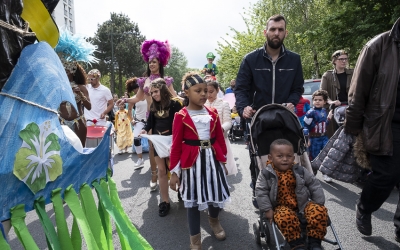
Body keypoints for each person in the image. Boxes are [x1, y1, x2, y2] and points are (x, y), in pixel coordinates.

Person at [235, 14, 304, 206]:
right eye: (273, 29)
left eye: (280, 29)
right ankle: (260, 191)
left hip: (284, 117)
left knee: (286, 157)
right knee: (258, 156)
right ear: (266, 32)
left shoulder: (294, 60)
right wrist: (244, 107)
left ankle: (287, 191)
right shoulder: (250, 59)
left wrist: (291, 102)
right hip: (259, 118)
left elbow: (297, 87)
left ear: (285, 33)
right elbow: (240, 88)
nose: (276, 33)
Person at [344, 17, 400, 239]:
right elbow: (358, 93)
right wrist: (354, 129)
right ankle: (365, 207)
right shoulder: (379, 45)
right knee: (386, 176)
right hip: (385, 124)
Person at [169, 72, 230, 249]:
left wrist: (223, 161)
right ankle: (194, 238)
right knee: (193, 201)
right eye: (198, 91)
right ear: (187, 92)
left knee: (215, 194)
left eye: (205, 90)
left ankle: (214, 222)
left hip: (213, 160)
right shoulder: (180, 116)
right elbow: (176, 146)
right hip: (192, 164)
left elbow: (219, 138)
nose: (203, 94)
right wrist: (174, 172)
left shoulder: (213, 112)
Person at [116, 39, 178, 191]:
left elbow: (175, 97)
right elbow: (137, 98)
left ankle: (173, 173)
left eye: (154, 62)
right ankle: (154, 175)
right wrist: (124, 99)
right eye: (150, 62)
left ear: (160, 63)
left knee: (170, 145)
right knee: (152, 147)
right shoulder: (144, 81)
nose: (151, 64)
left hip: (167, 117)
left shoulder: (166, 81)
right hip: (152, 118)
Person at [255, 139, 327, 250]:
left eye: (289, 156)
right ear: (270, 158)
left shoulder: (300, 170)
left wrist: (319, 202)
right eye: (280, 156)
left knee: (318, 211)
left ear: (293, 158)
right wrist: (267, 209)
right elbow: (261, 192)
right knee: (285, 217)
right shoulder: (266, 174)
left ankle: (315, 243)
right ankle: (297, 245)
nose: (285, 159)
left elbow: (314, 184)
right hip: (280, 206)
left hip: (303, 204)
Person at [140, 78, 183, 217]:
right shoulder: (153, 106)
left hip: (174, 141)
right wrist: (145, 130)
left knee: (177, 168)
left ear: (163, 90)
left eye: (156, 91)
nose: (153, 95)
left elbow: (182, 121)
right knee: (162, 170)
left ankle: (182, 191)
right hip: (158, 141)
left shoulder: (176, 104)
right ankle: (165, 201)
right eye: (152, 92)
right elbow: (150, 122)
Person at [55, 31, 95, 147]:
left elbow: (89, 106)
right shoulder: (57, 88)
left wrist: (80, 95)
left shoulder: (81, 87)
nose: (63, 73)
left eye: (66, 71)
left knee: (79, 150)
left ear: (72, 72)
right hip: (61, 123)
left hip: (78, 122)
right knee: (62, 152)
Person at [205, 80, 237, 175]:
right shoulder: (202, 104)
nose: (209, 95)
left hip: (220, 138)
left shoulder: (224, 104)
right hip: (206, 138)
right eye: (206, 91)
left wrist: (220, 129)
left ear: (217, 90)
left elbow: (228, 122)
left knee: (220, 166)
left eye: (211, 91)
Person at [320, 50, 353, 137]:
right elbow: (323, 94)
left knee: (351, 134)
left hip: (350, 108)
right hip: (335, 109)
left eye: (346, 59)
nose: (344, 61)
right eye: (341, 59)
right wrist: (331, 102)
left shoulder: (352, 73)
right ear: (334, 61)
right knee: (335, 135)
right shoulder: (327, 75)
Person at [304, 90, 333, 182]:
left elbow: (324, 124)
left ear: (324, 101)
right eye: (315, 99)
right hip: (314, 138)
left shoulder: (324, 111)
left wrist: (328, 118)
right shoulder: (310, 113)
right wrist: (307, 139)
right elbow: (306, 126)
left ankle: (326, 173)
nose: (317, 101)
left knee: (327, 155)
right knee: (314, 157)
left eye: (320, 100)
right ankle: (313, 173)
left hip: (324, 137)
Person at [126, 78, 148, 169]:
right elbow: (129, 110)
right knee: (136, 140)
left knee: (153, 142)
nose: (136, 90)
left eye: (137, 88)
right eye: (134, 89)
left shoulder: (149, 95)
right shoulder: (133, 99)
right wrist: (131, 120)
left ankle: (155, 161)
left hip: (149, 121)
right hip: (139, 121)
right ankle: (140, 159)